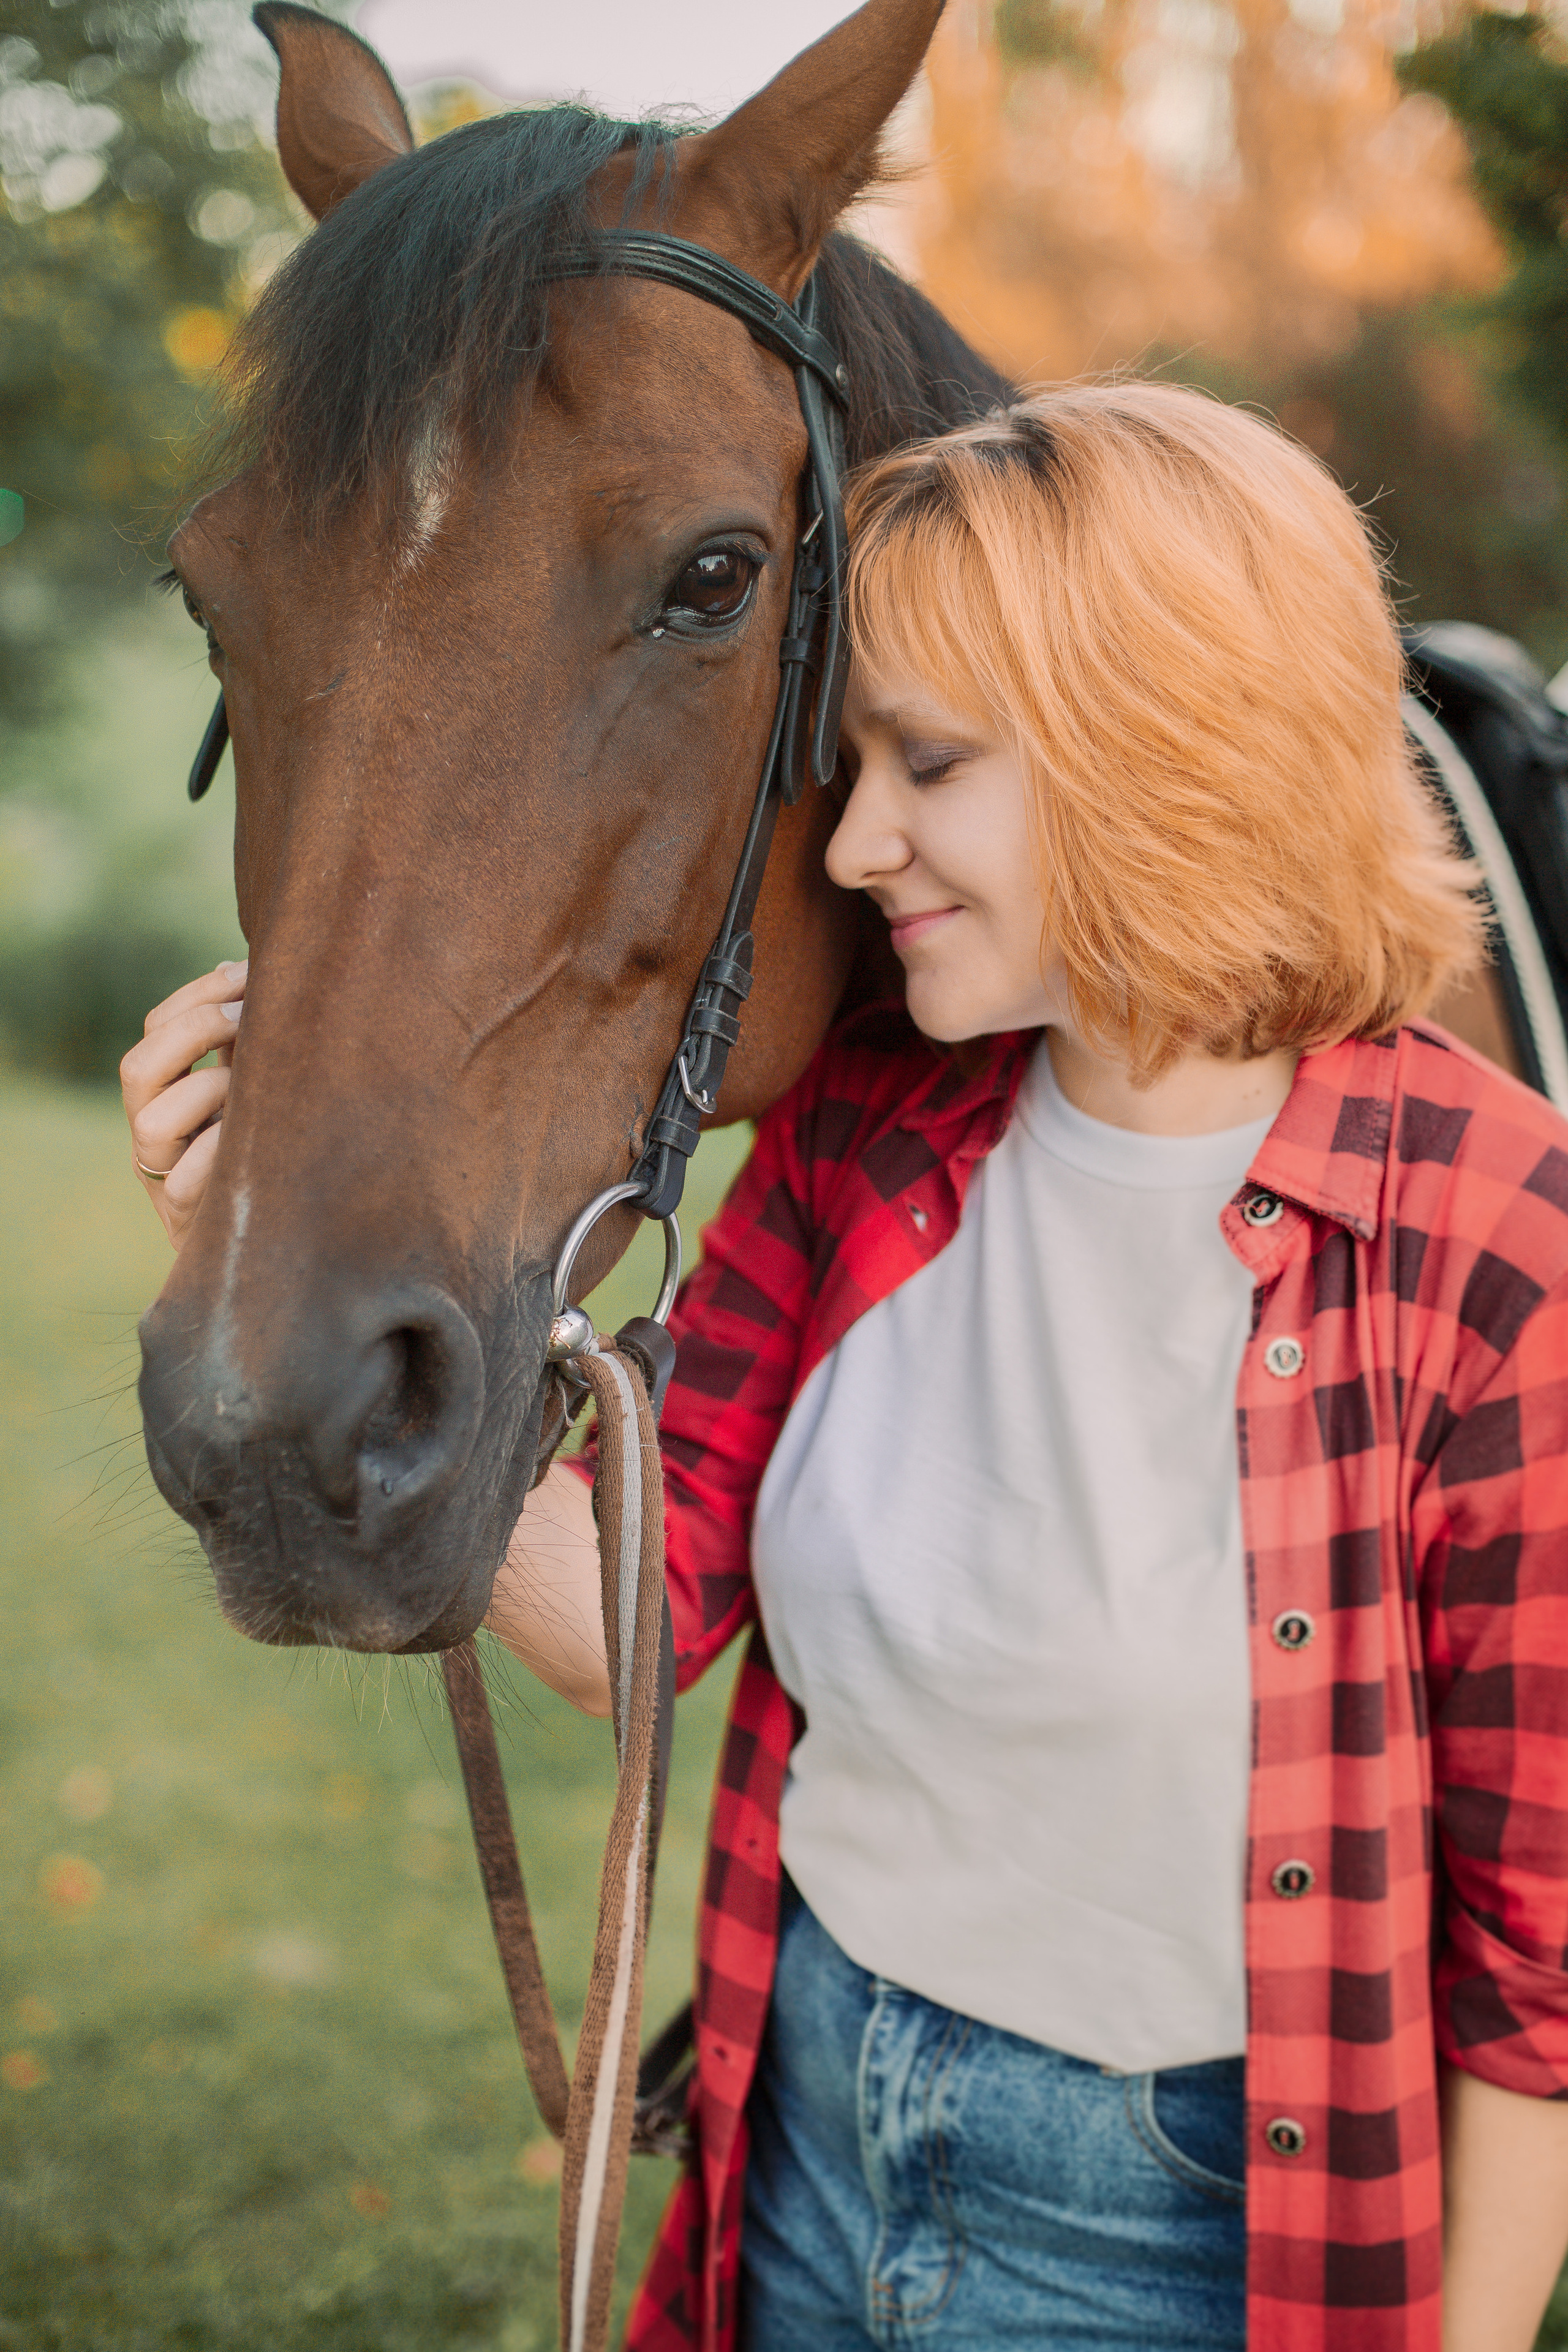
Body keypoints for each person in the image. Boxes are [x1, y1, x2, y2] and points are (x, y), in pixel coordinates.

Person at [124, 383, 1568, 2352]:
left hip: (1183, 2226)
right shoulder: (868, 1136)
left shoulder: (1494, 1241)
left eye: (932, 767)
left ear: (1171, 751)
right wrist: (253, 1229)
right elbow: (641, 1616)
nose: (860, 842)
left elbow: (1533, 1973)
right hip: (800, 2132)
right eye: (857, 761)